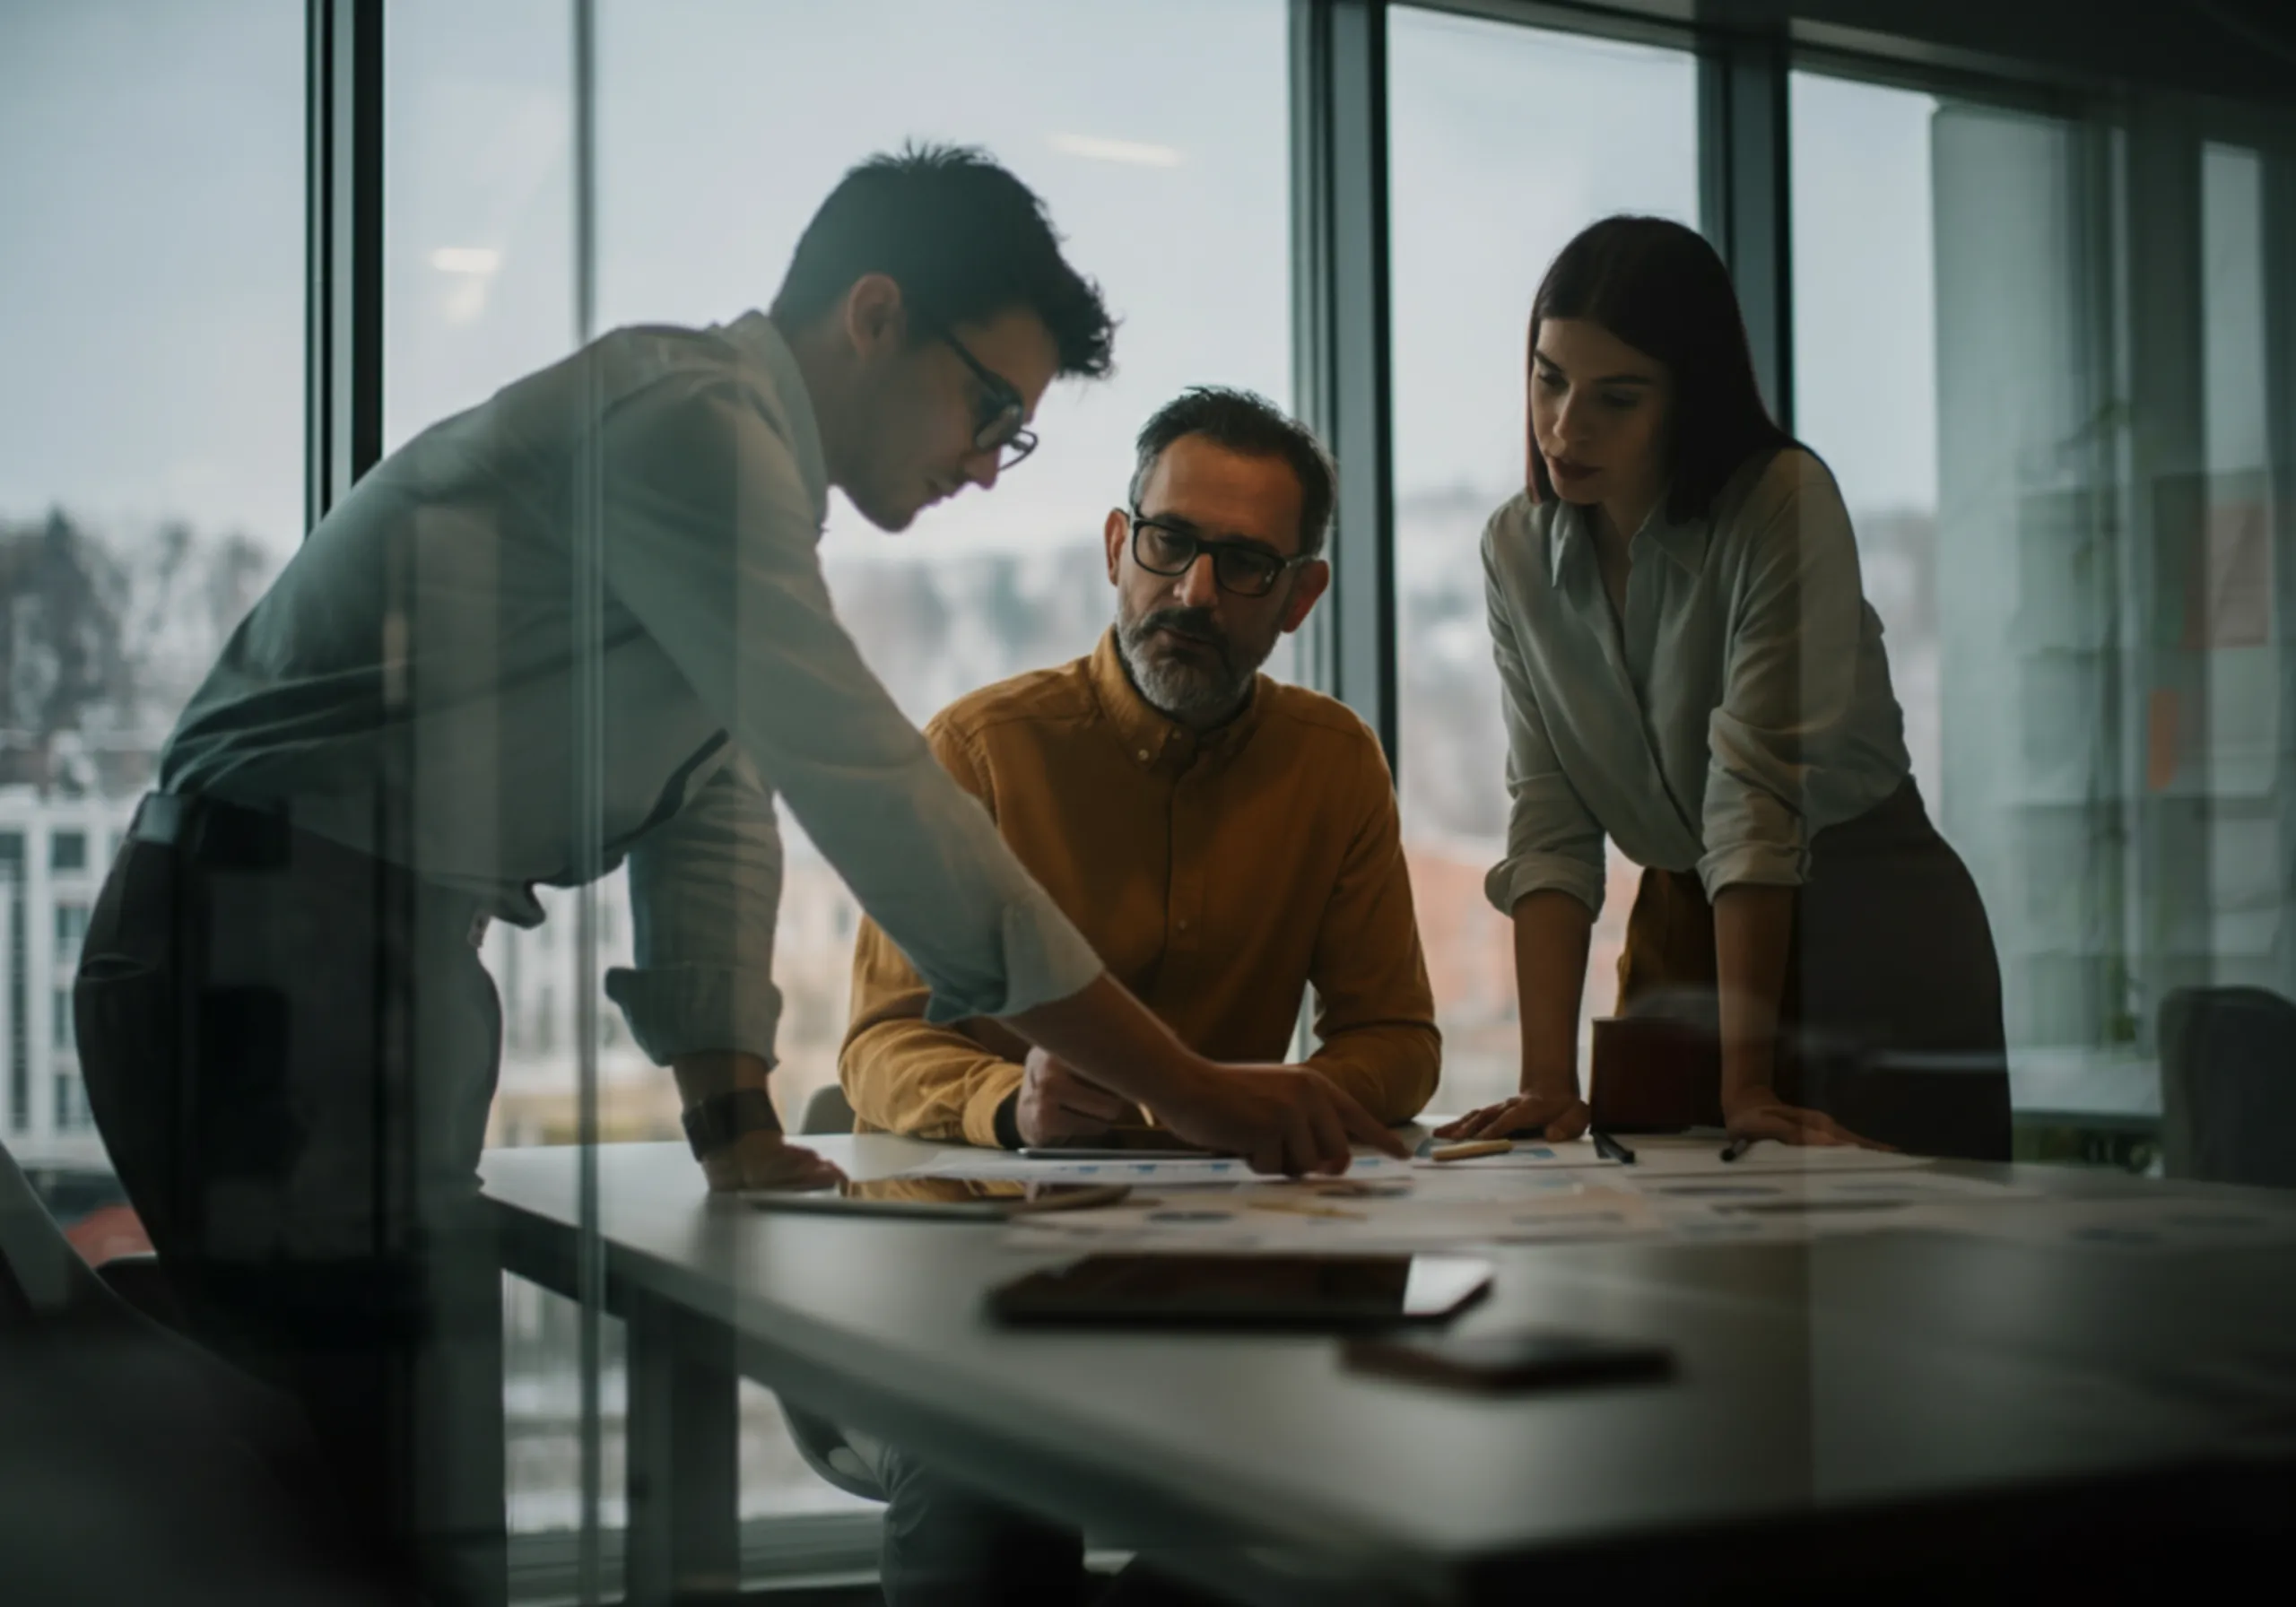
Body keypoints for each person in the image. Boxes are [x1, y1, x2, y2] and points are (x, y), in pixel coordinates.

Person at [72, 145, 1400, 1607]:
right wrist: (1193, 1088)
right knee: (374, 1522)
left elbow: (713, 804)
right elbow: (870, 792)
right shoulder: (691, 426)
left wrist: (734, 1122)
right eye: (990, 409)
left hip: (352, 958)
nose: (985, 462)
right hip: (267, 946)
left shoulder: (735, 476)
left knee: (400, 1497)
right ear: (875, 317)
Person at [839, 384, 1438, 1606]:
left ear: (1300, 597)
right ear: (1119, 545)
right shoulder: (981, 749)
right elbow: (877, 1045)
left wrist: (1281, 1096)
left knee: (1342, 1499)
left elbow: (1396, 1038)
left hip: (1223, 1272)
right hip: (974, 1279)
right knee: (988, 1486)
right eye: (1169, 544)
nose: (1195, 594)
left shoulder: (1334, 764)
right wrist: (1011, 1103)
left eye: (1246, 565)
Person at [1440, 214, 2011, 1162]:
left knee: (1890, 1240)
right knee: (1659, 1230)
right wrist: (1546, 1080)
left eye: (1617, 397)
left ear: (1688, 399)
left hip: (1865, 924)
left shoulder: (1781, 500)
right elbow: (1548, 816)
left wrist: (1746, 1085)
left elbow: (1754, 796)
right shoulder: (1515, 548)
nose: (1565, 426)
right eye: (1549, 378)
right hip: (1680, 931)